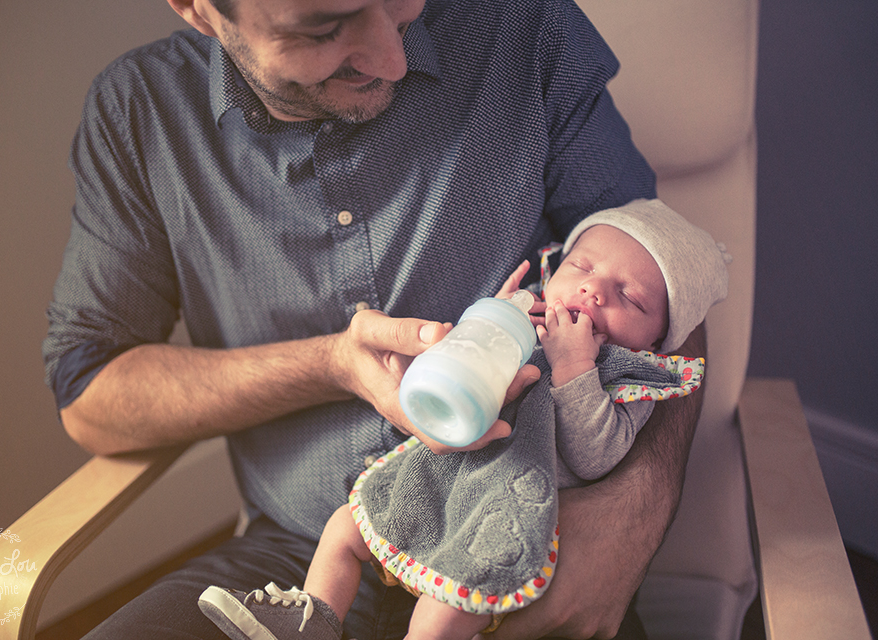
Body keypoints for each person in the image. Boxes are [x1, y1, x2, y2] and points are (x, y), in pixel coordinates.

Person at [43, 0, 707, 637]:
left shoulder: (525, 27)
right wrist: (329, 365)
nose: (395, 59)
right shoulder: (139, 112)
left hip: (520, 539)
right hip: (301, 553)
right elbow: (90, 397)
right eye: (324, 29)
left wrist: (633, 516)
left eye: (399, 1)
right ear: (196, 7)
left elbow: (662, 290)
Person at [195, 199, 730, 640]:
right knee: (344, 528)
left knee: (443, 612)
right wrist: (486, 326)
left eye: (629, 297)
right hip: (442, 484)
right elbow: (459, 373)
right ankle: (312, 619)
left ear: (658, 340)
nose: (594, 291)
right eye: (583, 268)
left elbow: (595, 458)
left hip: (502, 517)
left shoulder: (624, 379)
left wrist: (575, 369)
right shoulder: (526, 319)